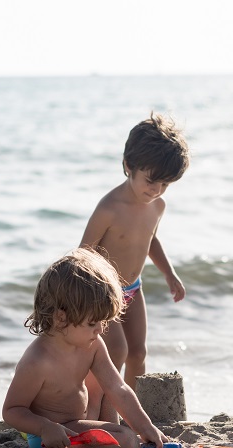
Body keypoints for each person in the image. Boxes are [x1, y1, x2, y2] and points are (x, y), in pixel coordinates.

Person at [2, 248, 170, 448]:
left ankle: (115, 435)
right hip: (56, 434)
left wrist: (146, 427)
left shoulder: (93, 345)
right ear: (61, 318)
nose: (100, 330)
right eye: (92, 323)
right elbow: (12, 410)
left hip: (81, 417)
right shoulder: (38, 360)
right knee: (128, 442)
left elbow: (118, 388)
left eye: (103, 322)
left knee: (107, 384)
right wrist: (45, 427)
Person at [79, 112, 190, 422]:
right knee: (115, 351)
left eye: (165, 183)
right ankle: (100, 412)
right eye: (150, 180)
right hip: (103, 292)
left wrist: (169, 273)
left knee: (138, 353)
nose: (155, 189)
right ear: (129, 166)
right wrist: (90, 297)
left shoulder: (157, 205)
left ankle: (128, 413)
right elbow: (83, 253)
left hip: (133, 288)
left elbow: (150, 240)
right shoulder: (110, 207)